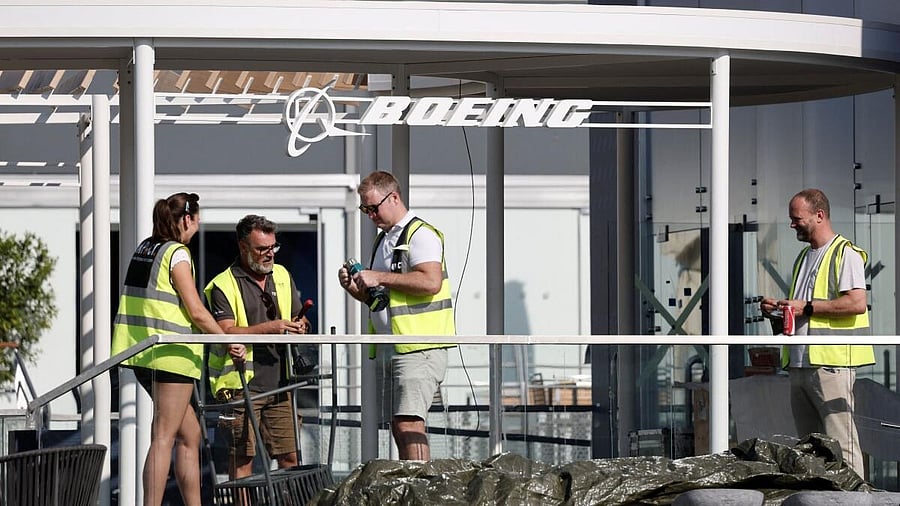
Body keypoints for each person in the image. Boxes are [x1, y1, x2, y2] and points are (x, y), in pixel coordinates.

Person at [112, 192, 224, 506]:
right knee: (163, 435)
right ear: (187, 219)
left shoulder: (146, 248)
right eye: (197, 220)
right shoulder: (177, 253)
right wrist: (228, 341)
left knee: (189, 435)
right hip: (170, 354)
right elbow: (197, 311)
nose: (197, 227)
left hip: (142, 352)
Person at [337, 171, 456, 460]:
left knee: (410, 423)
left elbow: (431, 282)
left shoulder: (421, 234)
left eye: (373, 208)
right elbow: (380, 299)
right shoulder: (385, 239)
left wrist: (378, 276)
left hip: (420, 346)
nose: (370, 215)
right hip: (395, 346)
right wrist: (354, 288)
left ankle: (421, 490)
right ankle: (411, 485)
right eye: (365, 209)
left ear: (394, 197)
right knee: (399, 425)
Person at [760, 188, 874, 478]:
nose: (792, 224)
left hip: (831, 364)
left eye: (797, 218)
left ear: (819, 215)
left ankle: (854, 498)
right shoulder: (804, 258)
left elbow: (856, 303)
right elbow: (802, 309)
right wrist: (779, 309)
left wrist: (805, 308)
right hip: (801, 363)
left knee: (842, 443)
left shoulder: (844, 254)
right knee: (810, 447)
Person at [204, 214, 310, 480]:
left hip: (281, 384)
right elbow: (226, 331)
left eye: (273, 247)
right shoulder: (223, 284)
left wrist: (300, 326)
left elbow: (299, 316)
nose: (270, 254)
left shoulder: (282, 274)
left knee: (291, 457)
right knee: (242, 459)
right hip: (239, 386)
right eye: (262, 249)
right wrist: (272, 328)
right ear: (243, 247)